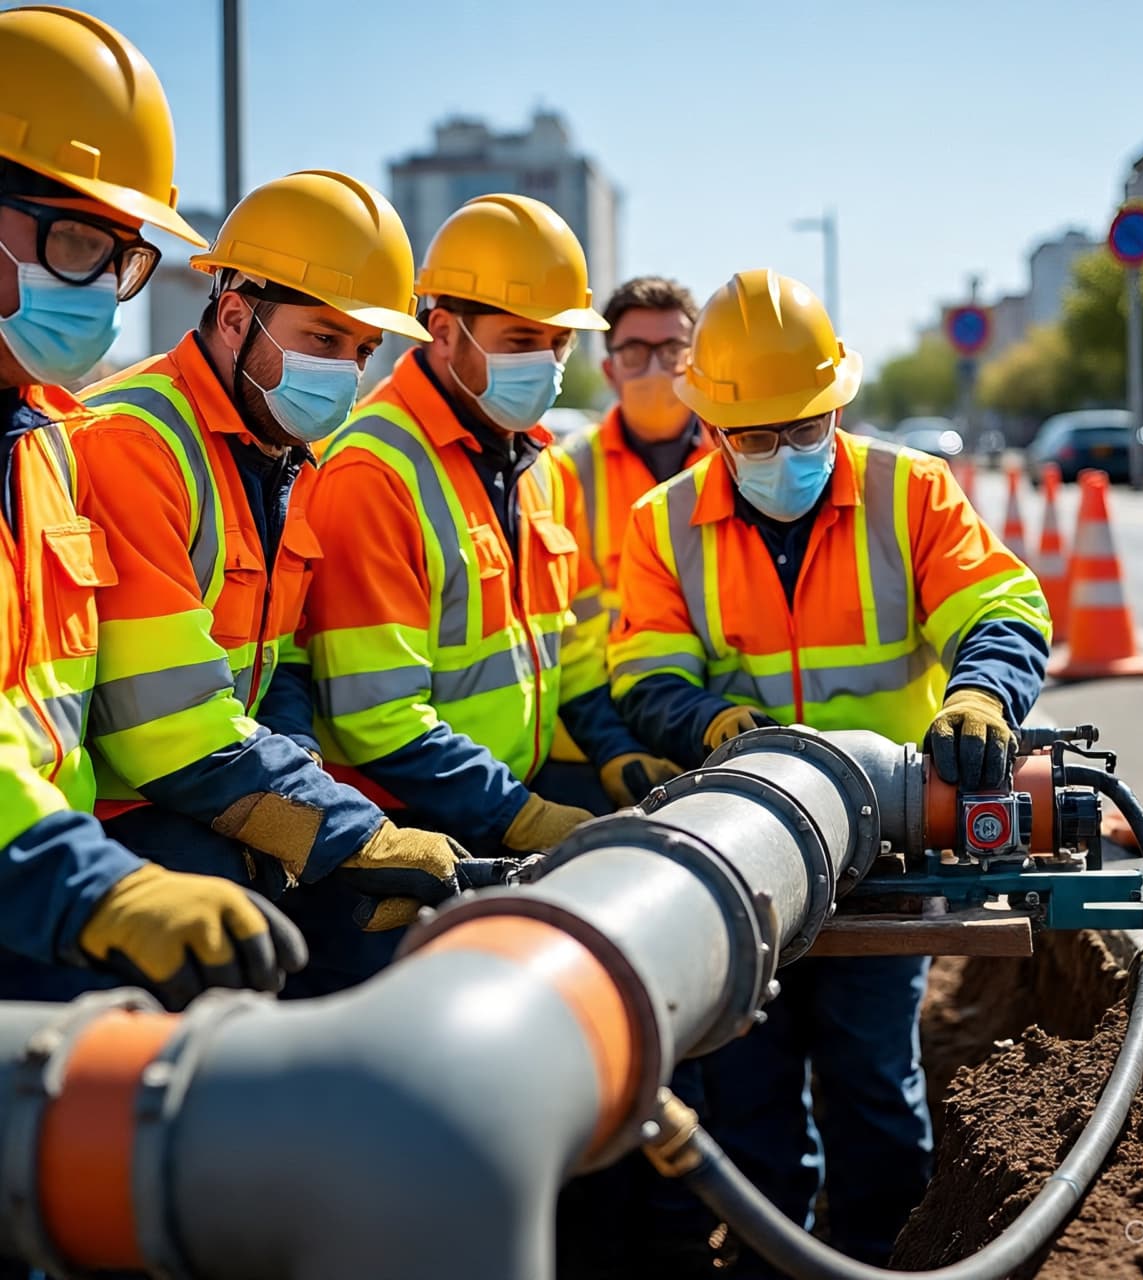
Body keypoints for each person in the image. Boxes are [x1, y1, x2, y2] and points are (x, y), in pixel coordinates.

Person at [609, 269, 1052, 1270]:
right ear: (711, 426)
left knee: (868, 1076)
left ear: (836, 403)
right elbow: (641, 666)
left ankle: (879, 1249)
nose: (781, 452)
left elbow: (1000, 606)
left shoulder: (911, 491)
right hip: (741, 843)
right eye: (753, 435)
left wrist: (979, 695)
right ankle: (774, 1255)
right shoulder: (663, 522)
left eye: (802, 426)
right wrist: (711, 717)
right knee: (748, 1085)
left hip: (885, 846)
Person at [68, 171, 476, 996]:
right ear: (231, 315)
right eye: (324, 340)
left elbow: (279, 663)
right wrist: (347, 833)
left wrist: (308, 794)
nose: (347, 372)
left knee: (380, 943)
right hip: (122, 817)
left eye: (363, 351)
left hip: (220, 787)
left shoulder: (294, 458)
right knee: (244, 969)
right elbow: (163, 727)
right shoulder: (134, 440)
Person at [0, 5, 307, 1011]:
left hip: (44, 900)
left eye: (123, 258)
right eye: (80, 239)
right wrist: (104, 885)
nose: (109, 294)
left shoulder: (47, 440)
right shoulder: (122, 437)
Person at [302, 193, 679, 860]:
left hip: (492, 810)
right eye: (522, 341)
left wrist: (616, 752)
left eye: (559, 343)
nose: (547, 365)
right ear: (443, 330)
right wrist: (521, 816)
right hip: (392, 836)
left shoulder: (540, 465)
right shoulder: (373, 471)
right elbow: (374, 715)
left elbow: (577, 647)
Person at [559, 276, 711, 626]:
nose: (656, 369)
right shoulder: (568, 471)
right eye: (635, 353)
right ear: (610, 371)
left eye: (673, 351)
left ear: (698, 363)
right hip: (610, 676)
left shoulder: (737, 459)